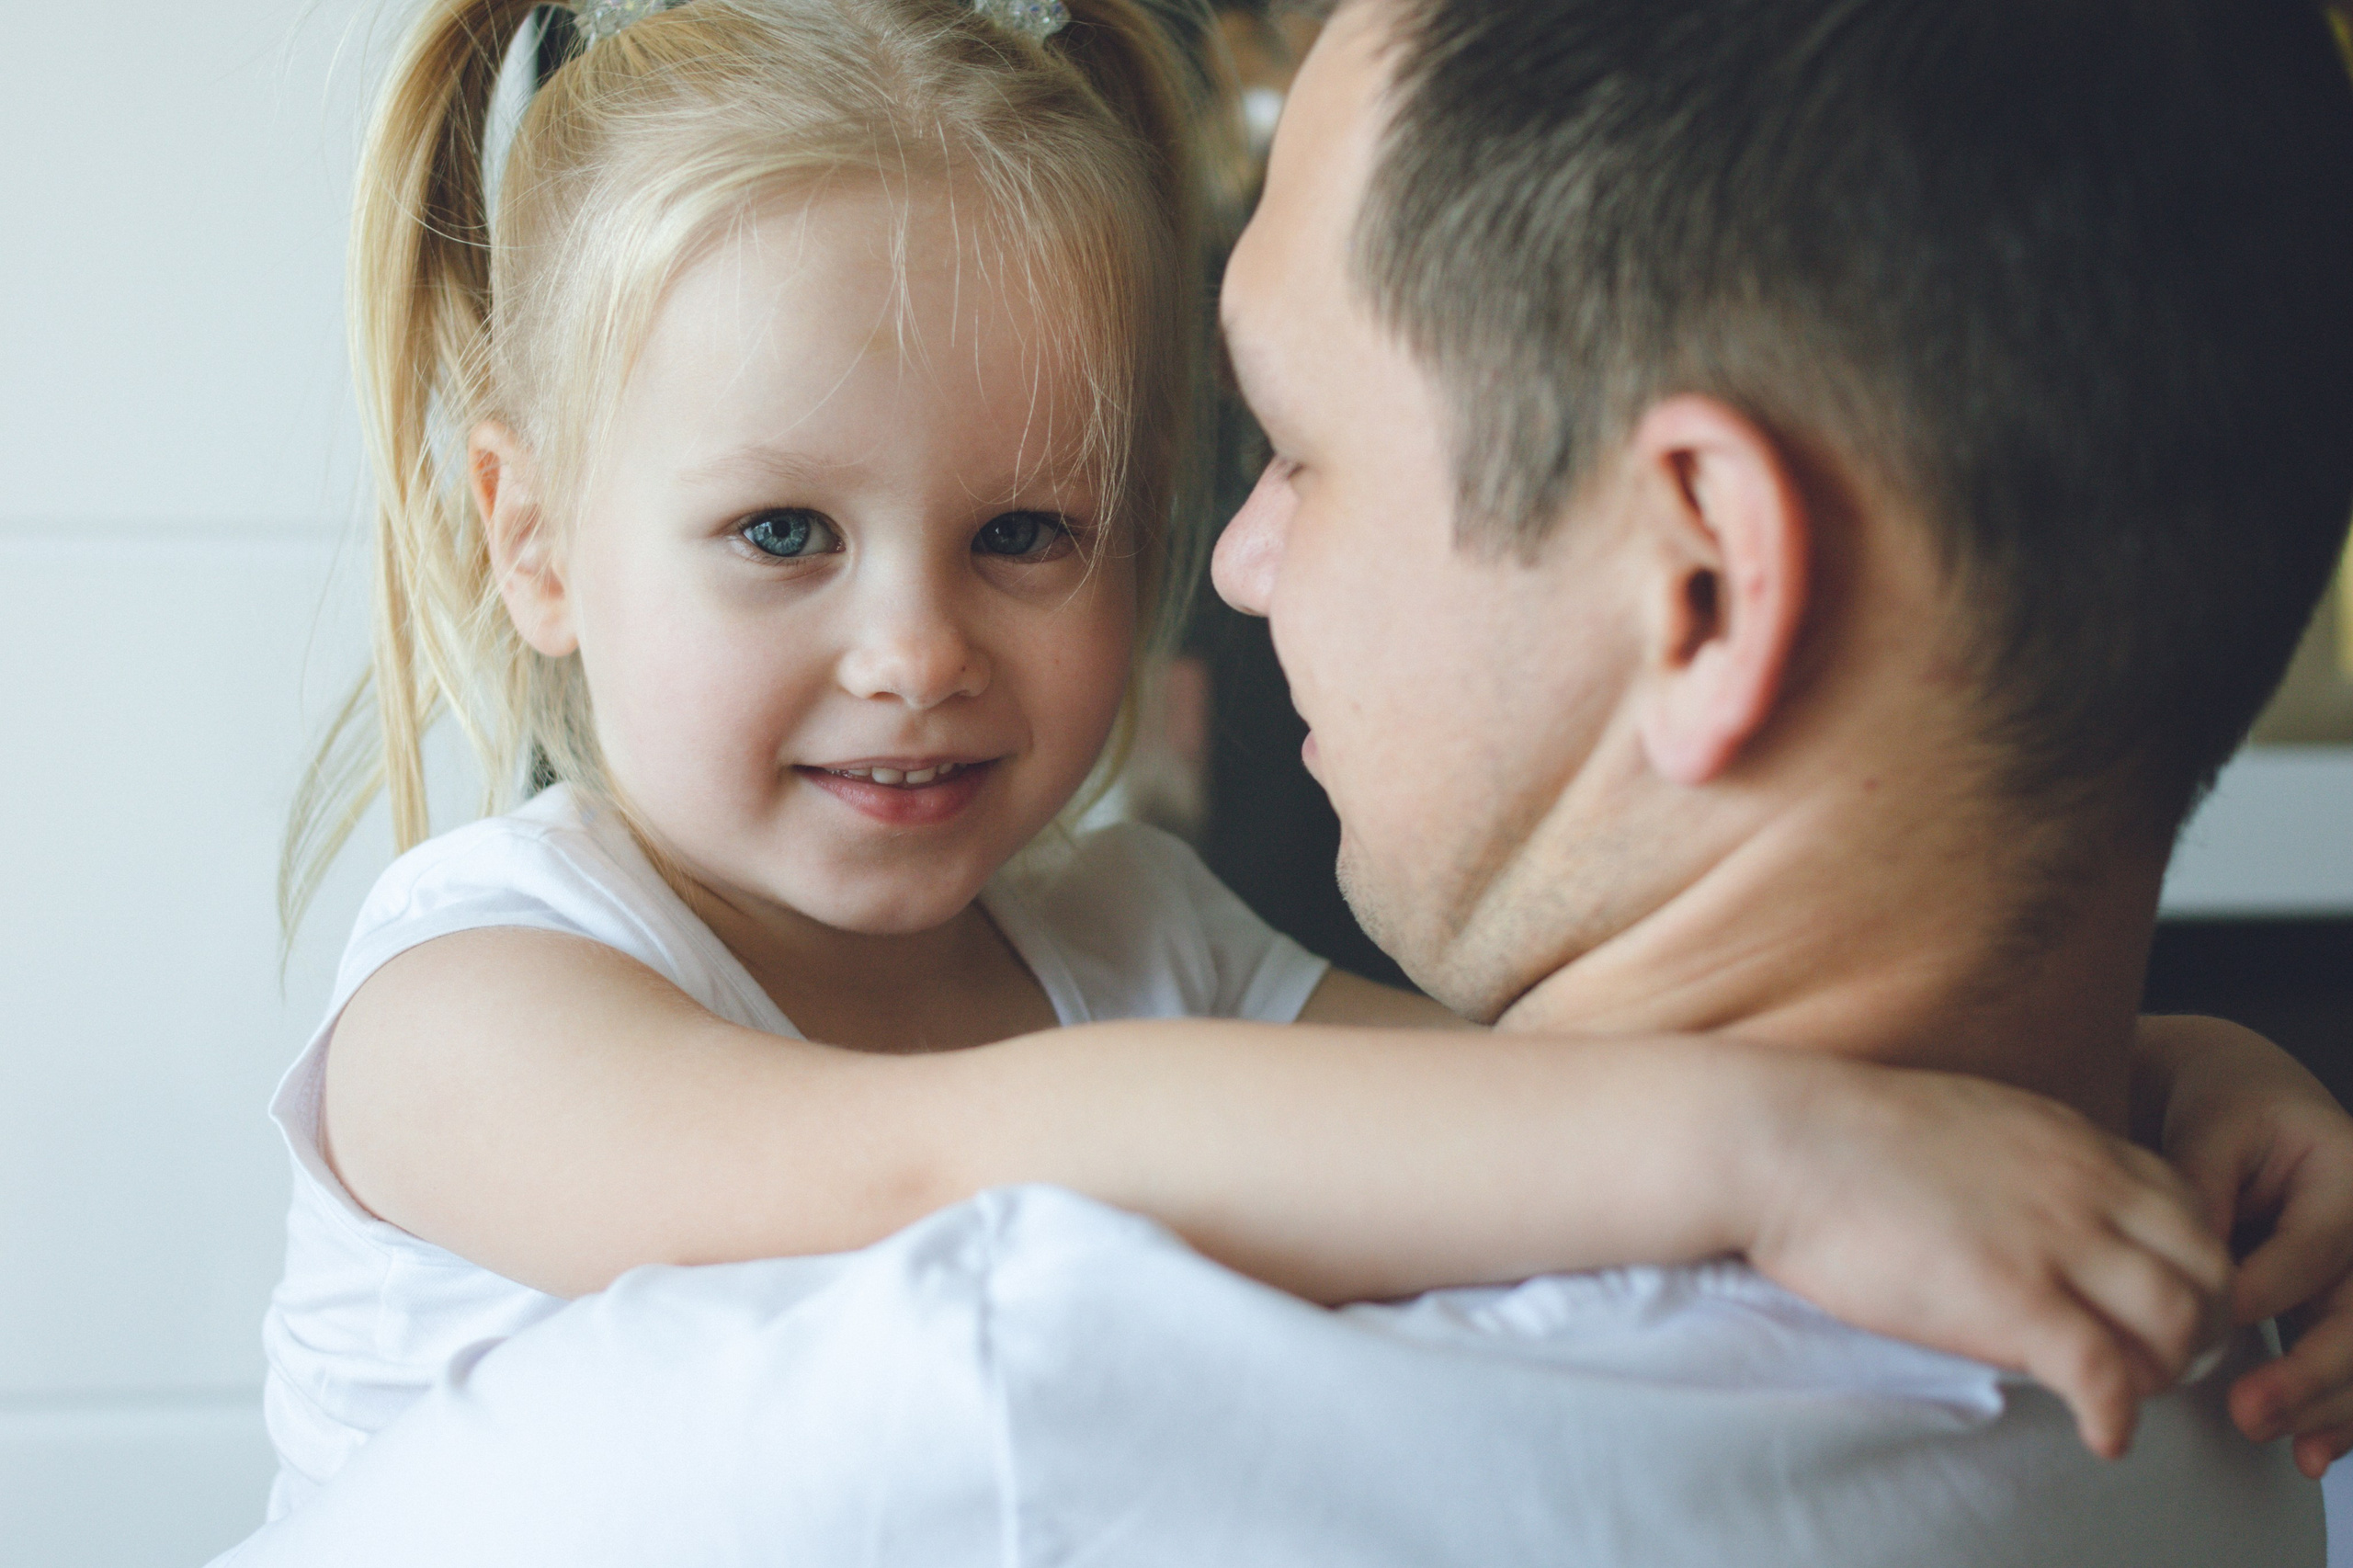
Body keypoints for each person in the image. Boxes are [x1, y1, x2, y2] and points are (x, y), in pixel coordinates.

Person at [226, 0, 2353, 1560]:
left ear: (1702, 579)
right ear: (527, 537)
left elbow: (1474, 1128)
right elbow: (903, 1164)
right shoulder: (473, 994)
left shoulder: (1136, 947)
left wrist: (2164, 1081)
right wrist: (1787, 1144)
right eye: (783, 533)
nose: (913, 651)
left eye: (1033, 533)